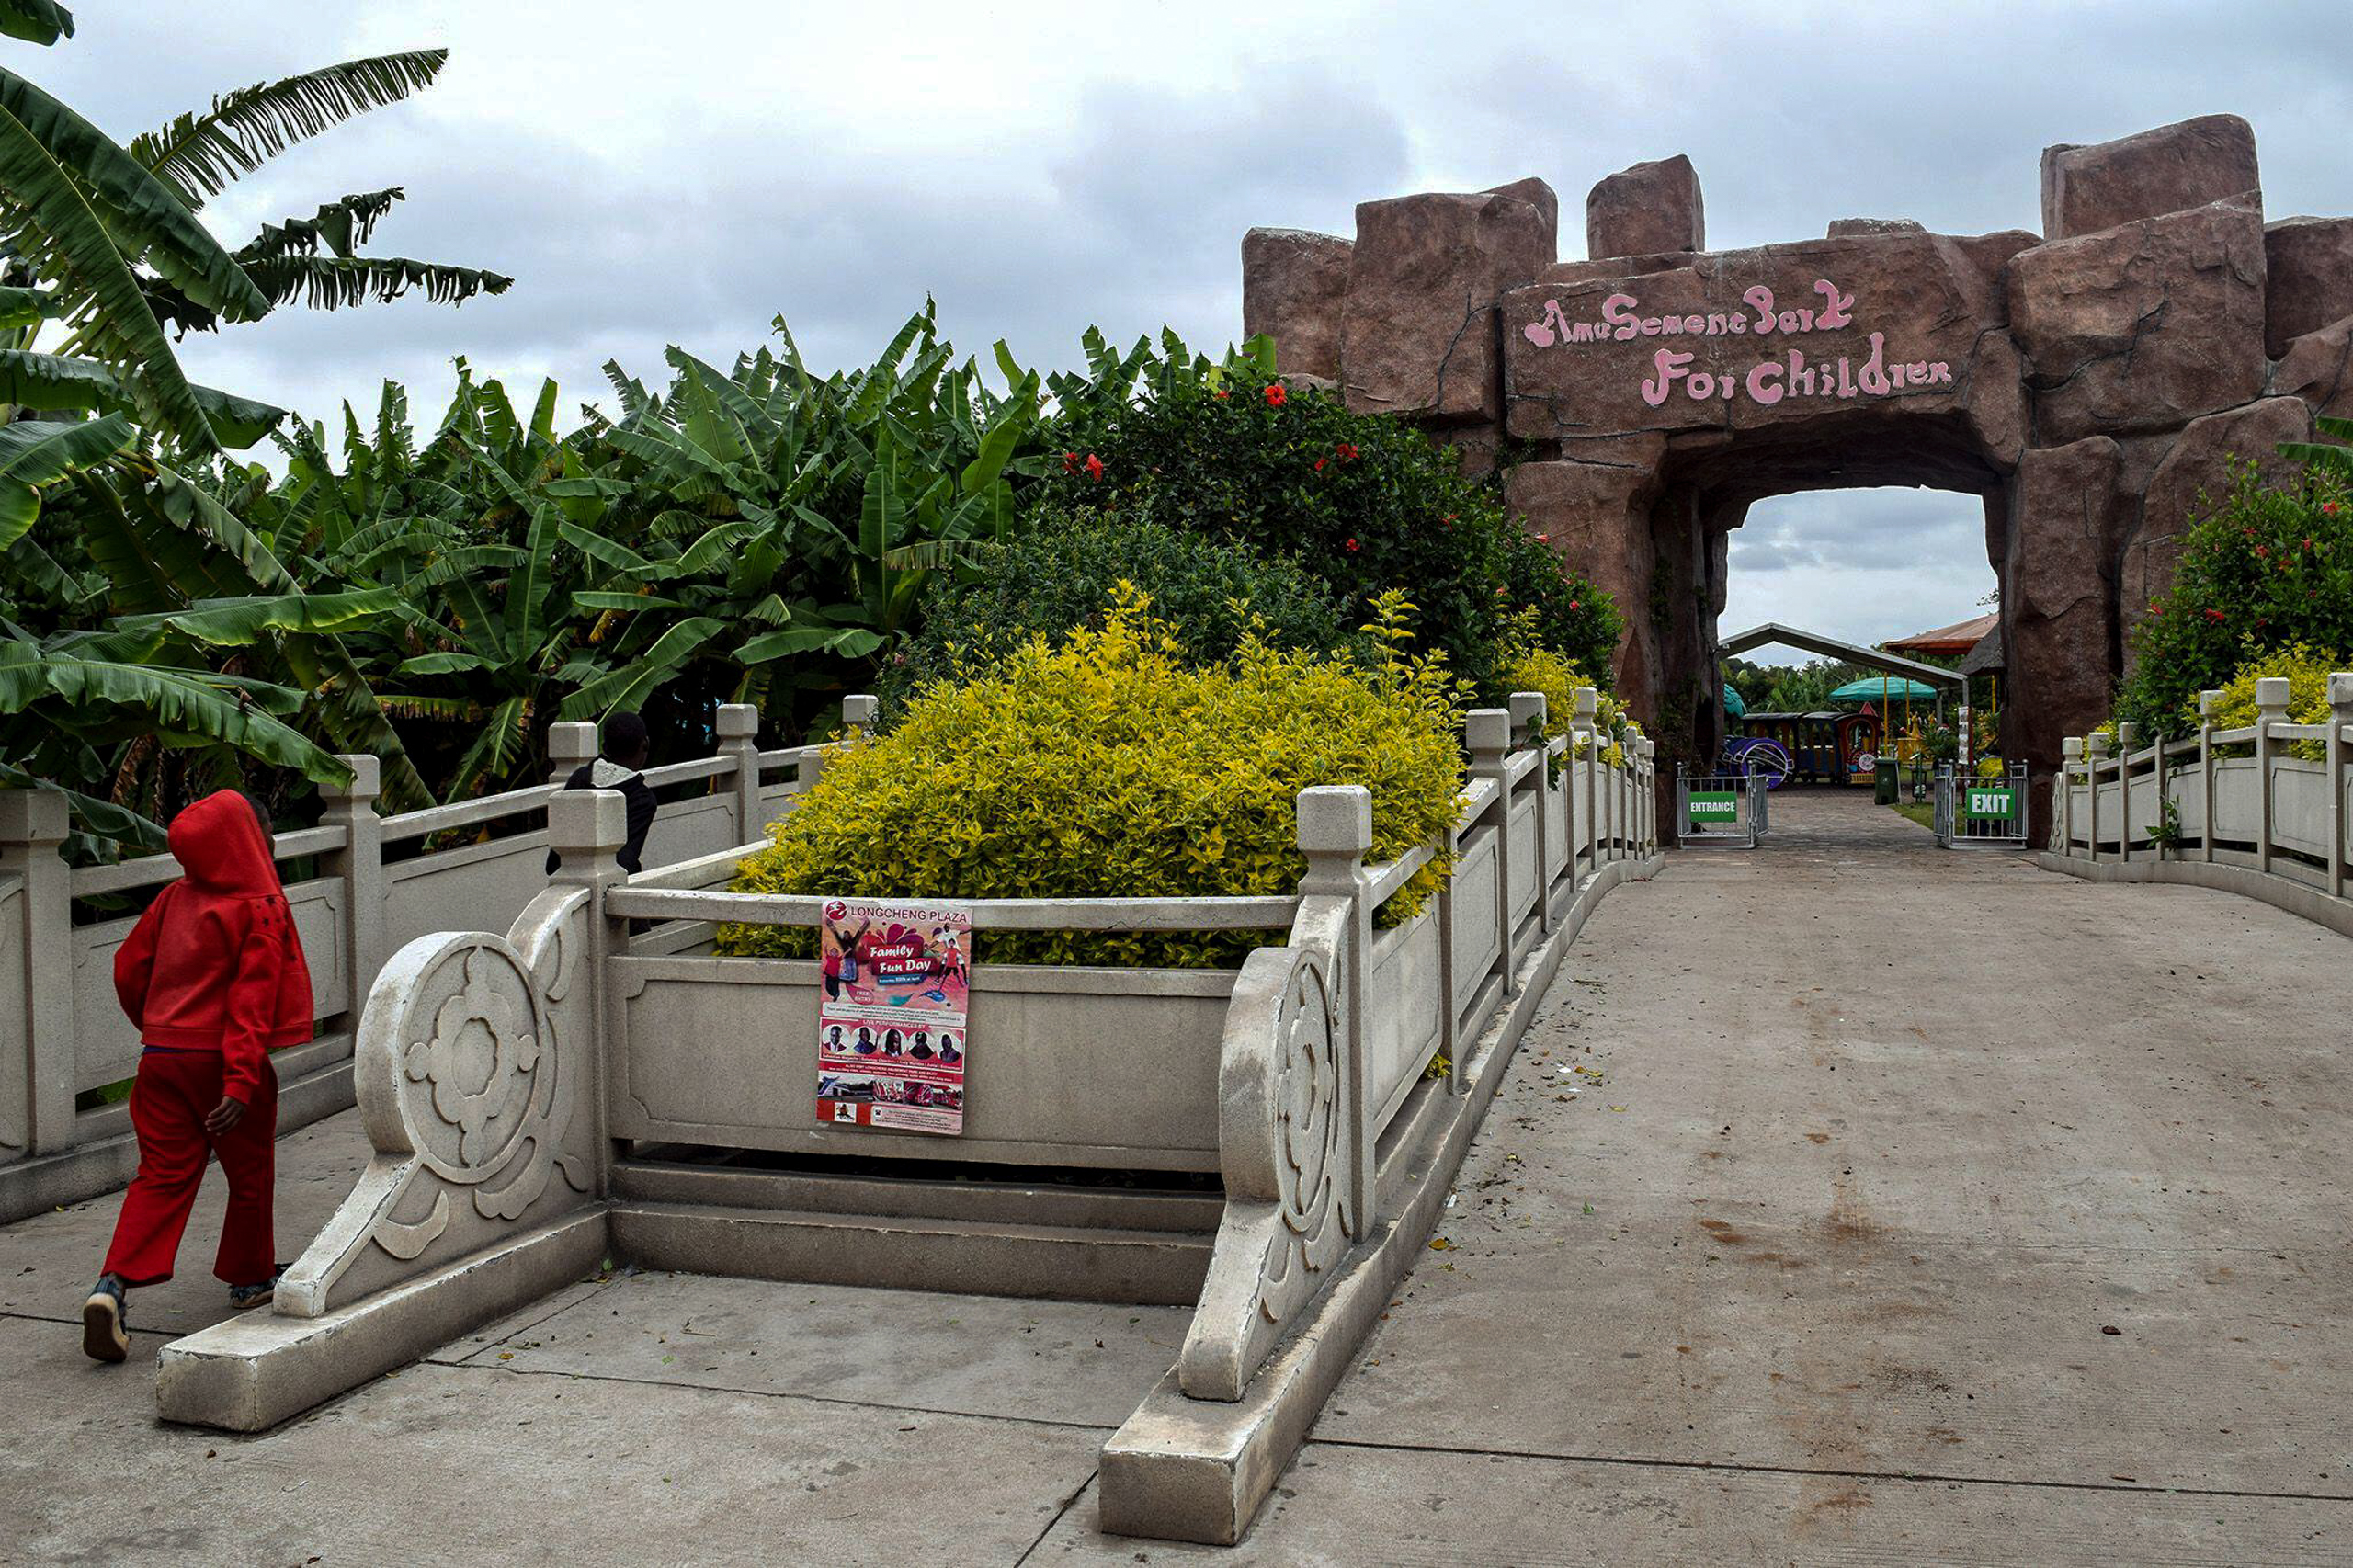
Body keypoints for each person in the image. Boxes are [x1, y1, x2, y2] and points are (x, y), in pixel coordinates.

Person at [83, 791, 314, 1362]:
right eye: (265, 831)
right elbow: (250, 1004)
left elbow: (127, 968)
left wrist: (160, 1028)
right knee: (250, 1171)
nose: (272, 841)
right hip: (222, 1063)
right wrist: (238, 1082)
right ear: (247, 839)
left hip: (160, 1058)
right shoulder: (259, 907)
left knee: (160, 1175)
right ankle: (249, 1277)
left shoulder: (172, 898)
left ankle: (111, 1286)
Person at [545, 712, 658, 876]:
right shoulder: (642, 799)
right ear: (645, 744)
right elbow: (624, 863)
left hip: (564, 878)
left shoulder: (579, 778)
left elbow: (554, 863)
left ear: (605, 747)